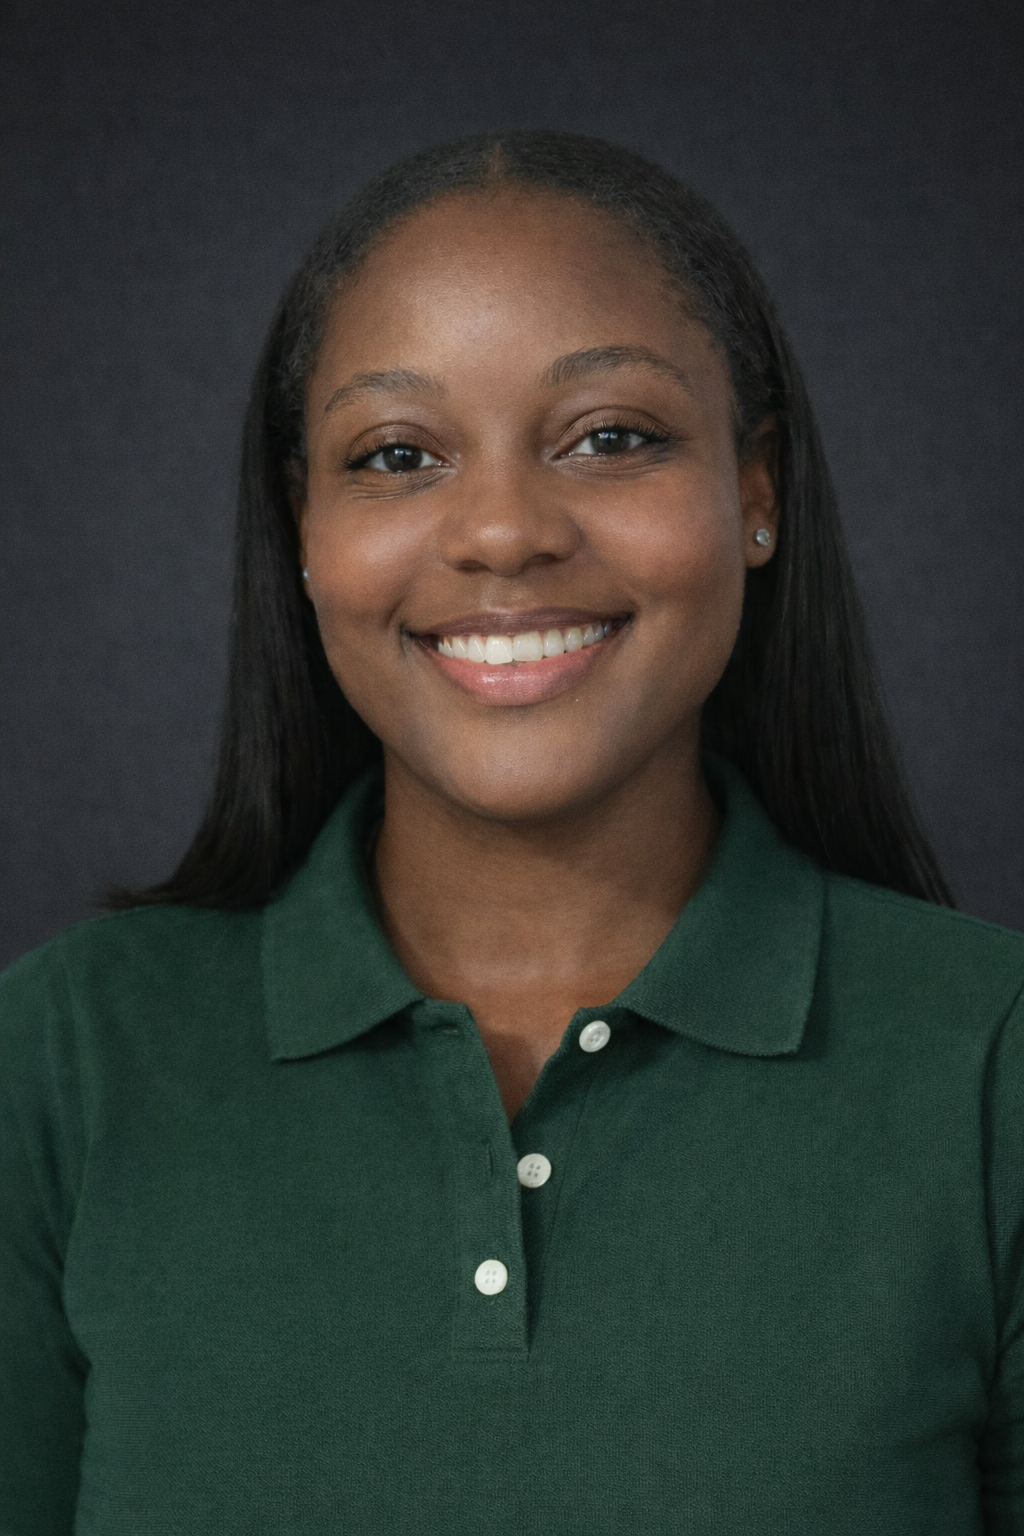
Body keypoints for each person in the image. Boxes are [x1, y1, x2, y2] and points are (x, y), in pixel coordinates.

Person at [1, 130, 1021, 1535]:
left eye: (611, 437)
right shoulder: (62, 1062)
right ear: (302, 527)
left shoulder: (994, 1066)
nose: (499, 531)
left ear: (758, 492)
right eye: (397, 453)